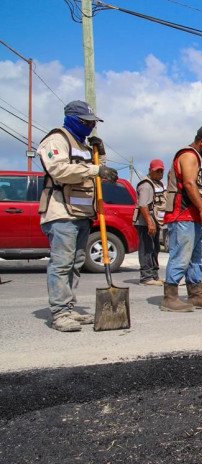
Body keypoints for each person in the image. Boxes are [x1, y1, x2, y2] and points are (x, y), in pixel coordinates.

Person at [37, 100, 119, 332]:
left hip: (82, 213)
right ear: (73, 119)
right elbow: (59, 170)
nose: (90, 127)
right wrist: (95, 169)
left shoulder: (84, 145)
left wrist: (100, 155)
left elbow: (99, 173)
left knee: (75, 264)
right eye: (86, 122)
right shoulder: (57, 140)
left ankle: (69, 307)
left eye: (92, 123)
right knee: (62, 264)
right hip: (62, 212)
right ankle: (59, 313)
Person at [161, 125, 202, 311]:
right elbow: (190, 184)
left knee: (198, 257)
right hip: (185, 215)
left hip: (199, 217)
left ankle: (195, 295)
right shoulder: (189, 155)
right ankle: (170, 297)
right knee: (181, 255)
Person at [133, 159, 166, 285]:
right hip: (145, 223)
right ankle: (146, 277)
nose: (159, 173)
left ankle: (154, 275)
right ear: (150, 171)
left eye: (161, 170)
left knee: (155, 248)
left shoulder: (159, 184)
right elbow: (143, 206)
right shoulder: (146, 185)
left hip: (156, 222)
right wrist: (150, 222)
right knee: (147, 249)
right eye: (157, 171)